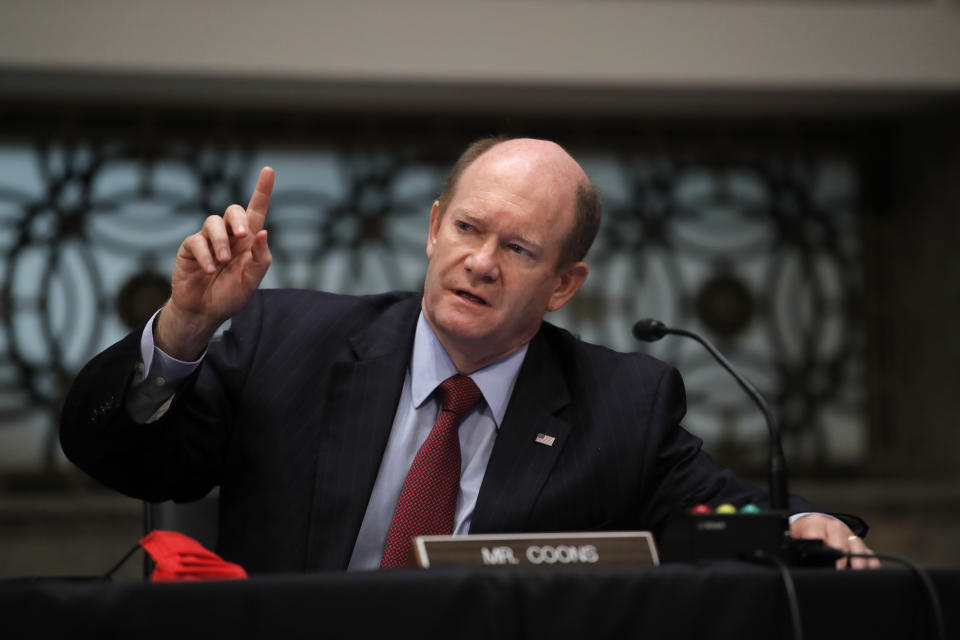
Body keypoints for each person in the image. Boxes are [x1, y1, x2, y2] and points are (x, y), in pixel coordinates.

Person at [60, 137, 878, 571]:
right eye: (467, 229)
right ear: (432, 228)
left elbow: (716, 515)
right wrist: (184, 331)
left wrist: (810, 523)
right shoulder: (290, 341)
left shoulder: (621, 402)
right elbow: (127, 458)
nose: (481, 261)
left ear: (564, 285)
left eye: (519, 249)